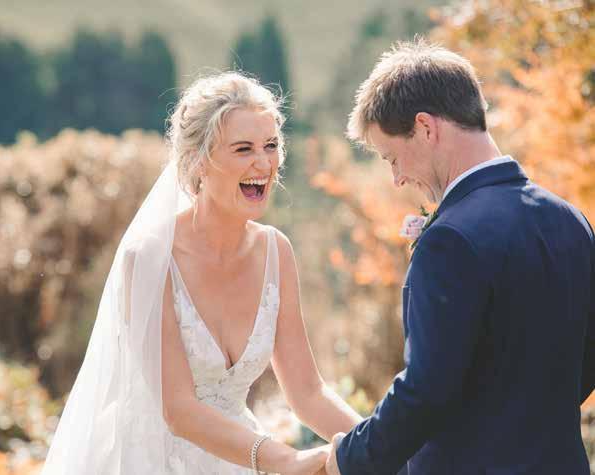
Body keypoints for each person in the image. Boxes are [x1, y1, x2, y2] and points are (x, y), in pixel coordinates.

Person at [40, 72, 362, 475]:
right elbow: (179, 410)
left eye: (271, 145)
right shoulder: (150, 258)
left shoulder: (276, 252)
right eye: (243, 149)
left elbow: (308, 392)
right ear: (198, 161)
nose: (264, 163)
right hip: (146, 462)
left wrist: (384, 445)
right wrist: (285, 459)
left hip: (236, 458)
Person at [325, 38, 595, 475]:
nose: (396, 179)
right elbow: (585, 362)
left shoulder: (449, 239)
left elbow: (425, 391)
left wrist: (350, 457)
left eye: (392, 158)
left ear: (425, 128)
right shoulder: (571, 220)